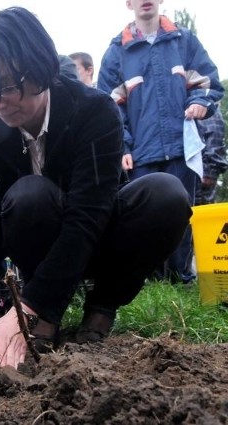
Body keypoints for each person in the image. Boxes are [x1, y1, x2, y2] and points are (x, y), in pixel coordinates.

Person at [0, 7, 191, 378]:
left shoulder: (94, 112)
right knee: (29, 196)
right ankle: (46, 317)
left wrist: (29, 305)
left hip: (101, 235)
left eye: (6, 87)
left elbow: (89, 215)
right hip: (38, 240)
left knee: (165, 194)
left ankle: (101, 308)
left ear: (41, 69)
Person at [97, 0, 224, 284]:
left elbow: (209, 84)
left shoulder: (185, 41)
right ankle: (147, 283)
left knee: (183, 216)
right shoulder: (117, 51)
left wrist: (200, 102)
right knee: (143, 220)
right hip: (141, 154)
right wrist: (123, 146)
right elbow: (108, 108)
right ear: (128, 3)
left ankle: (181, 280)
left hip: (182, 149)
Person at [196, 106, 227, 205]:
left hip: (200, 178)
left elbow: (215, 139)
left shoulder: (204, 104)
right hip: (183, 174)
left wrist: (209, 173)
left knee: (199, 215)